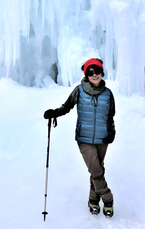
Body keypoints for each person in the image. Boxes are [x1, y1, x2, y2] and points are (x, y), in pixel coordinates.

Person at [43, 58, 116, 218]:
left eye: (97, 71)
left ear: (101, 73)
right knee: (96, 171)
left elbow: (110, 116)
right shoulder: (79, 90)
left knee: (97, 169)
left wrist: (111, 131)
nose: (94, 74)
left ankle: (93, 200)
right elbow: (67, 106)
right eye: (90, 72)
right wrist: (55, 112)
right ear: (86, 75)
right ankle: (107, 198)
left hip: (103, 139)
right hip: (84, 139)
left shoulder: (108, 94)